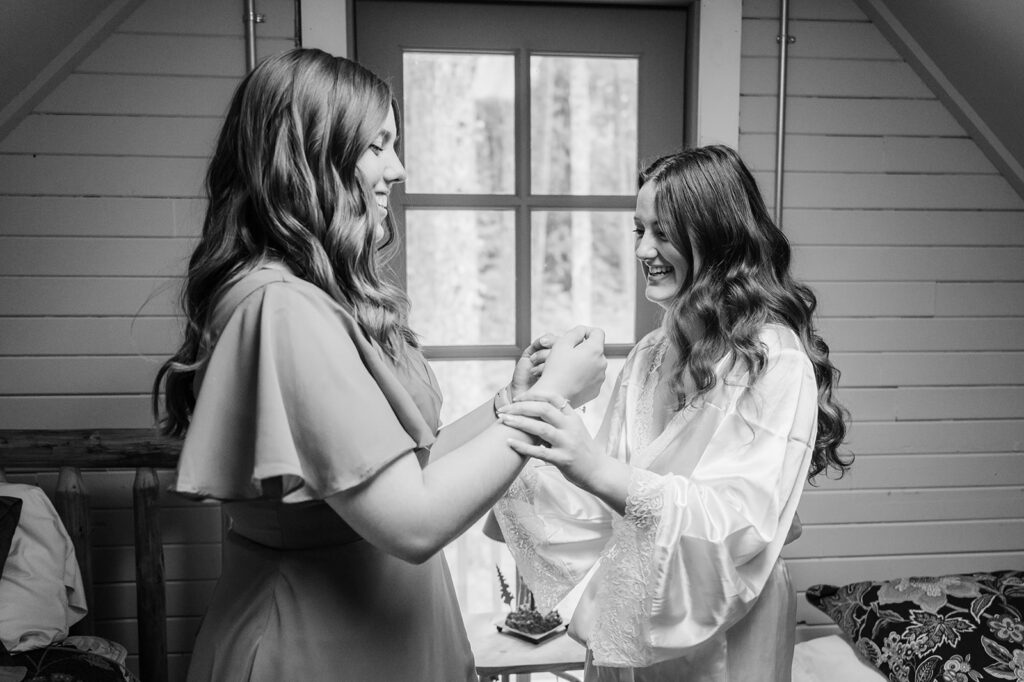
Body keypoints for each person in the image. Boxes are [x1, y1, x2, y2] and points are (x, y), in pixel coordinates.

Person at [151, 48, 606, 682]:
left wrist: (513, 400)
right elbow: (413, 521)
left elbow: (403, 467)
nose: (397, 167)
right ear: (311, 155)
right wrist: (553, 399)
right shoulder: (280, 308)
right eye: (377, 145)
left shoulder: (305, 294)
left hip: (384, 636)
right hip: (321, 645)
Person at [492, 145, 851, 681]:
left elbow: (740, 526)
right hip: (628, 617)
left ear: (717, 236)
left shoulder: (775, 361)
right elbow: (594, 514)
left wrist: (593, 465)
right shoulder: (649, 355)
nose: (643, 249)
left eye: (663, 231)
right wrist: (529, 410)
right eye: (638, 230)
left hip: (729, 629)